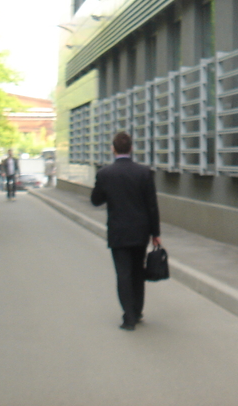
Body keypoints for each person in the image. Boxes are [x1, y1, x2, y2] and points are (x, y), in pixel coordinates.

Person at [90, 131, 161, 331]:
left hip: (118, 231)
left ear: (113, 149)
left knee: (123, 274)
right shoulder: (144, 173)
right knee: (138, 272)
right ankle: (137, 311)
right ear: (131, 148)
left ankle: (128, 317)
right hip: (140, 231)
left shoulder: (105, 174)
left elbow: (96, 200)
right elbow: (152, 205)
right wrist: (155, 233)